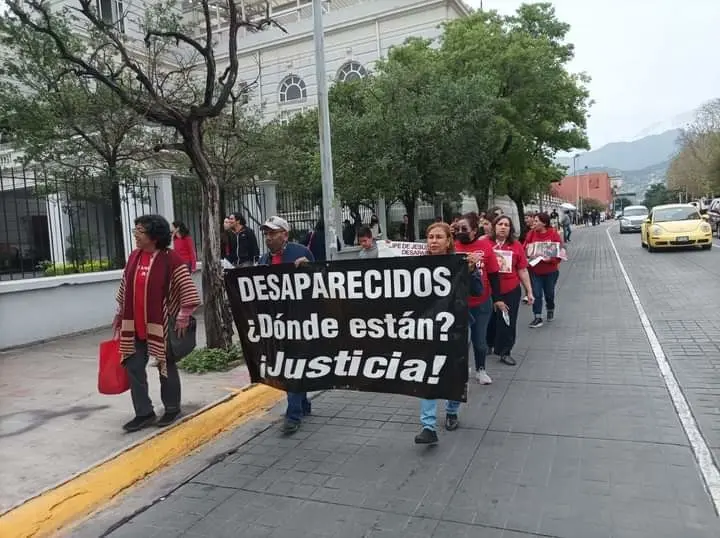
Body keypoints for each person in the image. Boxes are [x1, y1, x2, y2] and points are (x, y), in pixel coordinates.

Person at [113, 214, 201, 432]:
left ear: (154, 236)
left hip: (161, 324)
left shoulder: (171, 259)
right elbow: (125, 286)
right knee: (133, 366)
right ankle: (144, 413)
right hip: (134, 324)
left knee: (165, 366)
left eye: (140, 231)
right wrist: (119, 313)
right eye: (136, 231)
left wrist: (183, 315)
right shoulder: (134, 256)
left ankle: (172, 408)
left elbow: (187, 289)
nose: (135, 235)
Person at [415, 222, 484, 444]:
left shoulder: (462, 263)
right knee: (428, 373)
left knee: (455, 371)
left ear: (448, 241)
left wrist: (472, 270)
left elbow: (477, 291)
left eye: (438, 237)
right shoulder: (417, 265)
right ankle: (428, 425)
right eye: (430, 237)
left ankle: (452, 410)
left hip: (458, 327)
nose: (433, 241)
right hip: (429, 328)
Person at [257, 216, 315, 435]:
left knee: (294, 365)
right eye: (266, 234)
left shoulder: (300, 253)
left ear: (285, 235)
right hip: (276, 323)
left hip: (299, 320)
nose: (269, 238)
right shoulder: (263, 260)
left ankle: (293, 414)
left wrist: (308, 268)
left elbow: (319, 280)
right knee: (288, 366)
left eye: (273, 233)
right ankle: (303, 403)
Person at [453, 213, 502, 385]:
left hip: (482, 304)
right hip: (458, 304)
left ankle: (481, 369)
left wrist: (498, 299)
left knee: (480, 341)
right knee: (461, 341)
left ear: (474, 230)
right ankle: (462, 367)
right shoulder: (451, 247)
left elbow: (494, 274)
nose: (460, 232)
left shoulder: (485, 247)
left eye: (464, 229)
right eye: (457, 228)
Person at [489, 215, 534, 366]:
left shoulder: (516, 245)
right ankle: (489, 344)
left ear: (510, 229)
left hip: (510, 289)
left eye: (506, 225)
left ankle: (505, 351)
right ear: (494, 227)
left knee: (508, 322)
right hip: (487, 289)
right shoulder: (485, 243)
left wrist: (529, 291)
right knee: (490, 320)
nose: (503, 227)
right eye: (500, 224)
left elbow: (522, 270)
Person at [524, 212, 563, 327]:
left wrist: (550, 259)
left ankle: (550, 308)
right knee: (536, 294)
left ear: (544, 223)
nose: (533, 223)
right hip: (535, 271)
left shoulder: (553, 234)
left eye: (536, 221)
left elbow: (560, 253)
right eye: (533, 221)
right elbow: (524, 249)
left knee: (549, 294)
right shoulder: (531, 234)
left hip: (550, 271)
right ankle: (537, 317)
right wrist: (527, 252)